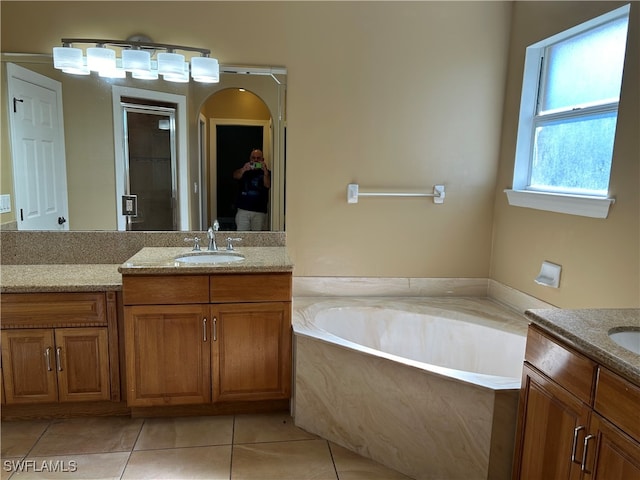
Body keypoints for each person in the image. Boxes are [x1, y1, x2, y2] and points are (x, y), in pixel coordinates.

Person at [233, 148, 271, 230]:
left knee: (257, 238)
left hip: (259, 211)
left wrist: (265, 172)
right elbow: (235, 176)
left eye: (258, 158)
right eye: (253, 158)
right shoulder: (245, 170)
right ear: (250, 159)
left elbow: (267, 185)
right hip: (243, 210)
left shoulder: (266, 173)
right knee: (242, 237)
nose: (255, 160)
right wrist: (243, 169)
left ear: (262, 159)